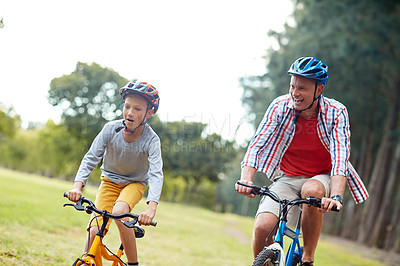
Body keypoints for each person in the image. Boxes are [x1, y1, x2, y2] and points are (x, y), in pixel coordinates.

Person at [235, 57, 369, 265]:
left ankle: (307, 258)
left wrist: (336, 196)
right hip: (287, 177)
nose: (295, 93)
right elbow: (257, 144)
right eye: (293, 86)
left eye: (303, 88)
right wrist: (246, 180)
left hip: (321, 176)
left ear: (319, 89)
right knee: (262, 228)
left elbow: (340, 157)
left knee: (312, 190)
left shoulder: (336, 112)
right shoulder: (280, 106)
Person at [67, 80, 163, 266]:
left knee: (120, 211)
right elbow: (91, 158)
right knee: (94, 231)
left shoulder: (152, 140)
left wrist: (151, 208)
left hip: (134, 183)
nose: (130, 112)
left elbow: (156, 174)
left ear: (149, 113)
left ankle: (133, 263)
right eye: (127, 106)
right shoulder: (110, 129)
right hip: (109, 181)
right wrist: (77, 186)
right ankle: (90, 261)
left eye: (137, 109)